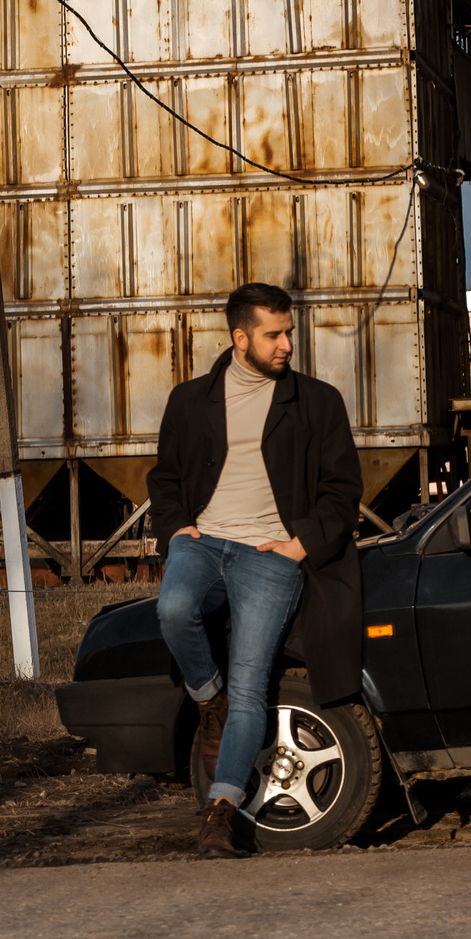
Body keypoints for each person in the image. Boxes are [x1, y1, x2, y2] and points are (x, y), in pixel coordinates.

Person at [146, 282, 364, 858]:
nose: (286, 344)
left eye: (289, 332)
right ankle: (206, 696)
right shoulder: (189, 400)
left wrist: (300, 545)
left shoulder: (318, 402)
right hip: (202, 541)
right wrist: (175, 528)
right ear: (240, 338)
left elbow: (343, 490)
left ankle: (220, 813)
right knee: (174, 609)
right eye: (274, 334)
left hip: (270, 556)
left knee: (251, 687)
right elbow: (164, 479)